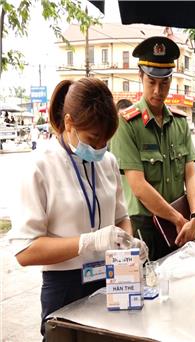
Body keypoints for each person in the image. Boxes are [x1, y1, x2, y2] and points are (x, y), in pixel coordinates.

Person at [7, 77, 148, 338]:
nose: (99, 148)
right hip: (65, 288)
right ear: (69, 122)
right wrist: (88, 242)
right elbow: (25, 250)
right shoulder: (40, 166)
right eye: (93, 138)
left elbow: (121, 217)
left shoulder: (107, 162)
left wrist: (126, 243)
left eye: (105, 141)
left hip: (109, 282)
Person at [110, 36, 195, 261]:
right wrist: (177, 219)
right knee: (146, 292)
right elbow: (138, 186)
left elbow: (190, 174)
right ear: (140, 77)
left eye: (164, 83)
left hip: (180, 225)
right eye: (152, 82)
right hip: (144, 228)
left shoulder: (180, 123)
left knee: (180, 289)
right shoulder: (127, 124)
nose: (158, 90)